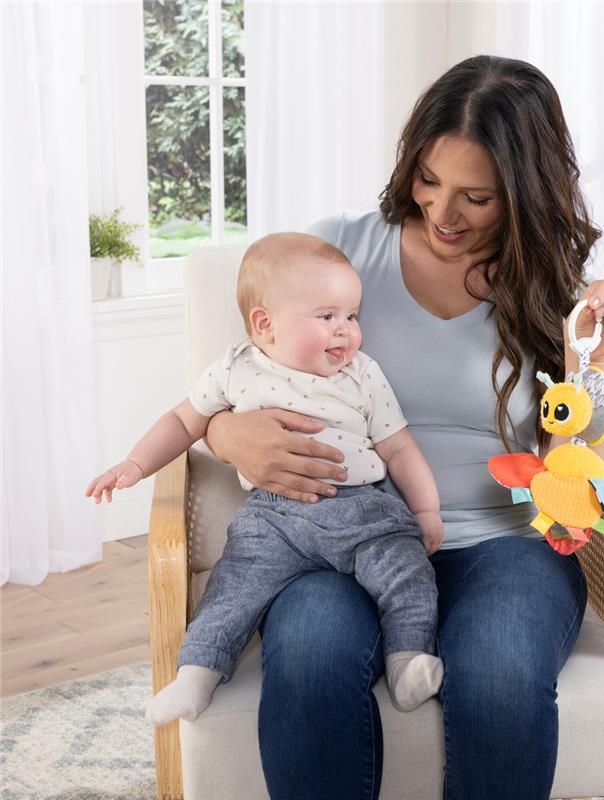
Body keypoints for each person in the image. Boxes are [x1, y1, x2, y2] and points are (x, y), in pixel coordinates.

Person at [205, 55, 604, 800]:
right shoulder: (339, 251)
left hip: (504, 544)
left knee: (500, 674)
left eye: (476, 197)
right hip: (341, 536)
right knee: (313, 656)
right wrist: (226, 433)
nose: (442, 213)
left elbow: (576, 483)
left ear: (525, 191)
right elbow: (231, 384)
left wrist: (594, 360)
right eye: (428, 180)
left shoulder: (555, 287)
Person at [85, 233, 446, 721]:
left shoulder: (362, 374)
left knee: (408, 573)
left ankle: (408, 660)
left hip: (362, 509)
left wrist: (425, 510)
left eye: (352, 316)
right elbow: (183, 422)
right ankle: (196, 673)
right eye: (327, 316)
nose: (345, 331)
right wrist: (134, 464)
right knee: (233, 587)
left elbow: (398, 446)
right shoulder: (235, 369)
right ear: (264, 324)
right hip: (274, 517)